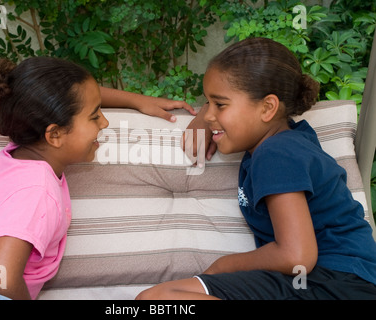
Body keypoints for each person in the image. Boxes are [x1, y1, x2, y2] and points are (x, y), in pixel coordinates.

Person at [0, 56, 195, 300]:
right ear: (54, 134)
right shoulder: (34, 191)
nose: (104, 123)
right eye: (95, 116)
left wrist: (137, 100)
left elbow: (75, 97)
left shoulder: (23, 155)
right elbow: (0, 279)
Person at [136, 37, 376, 300]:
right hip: (325, 279)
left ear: (268, 107)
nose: (209, 114)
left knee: (156, 300)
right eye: (208, 103)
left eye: (220, 104)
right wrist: (207, 117)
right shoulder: (288, 141)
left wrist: (222, 266)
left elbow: (297, 255)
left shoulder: (275, 154)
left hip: (335, 282)